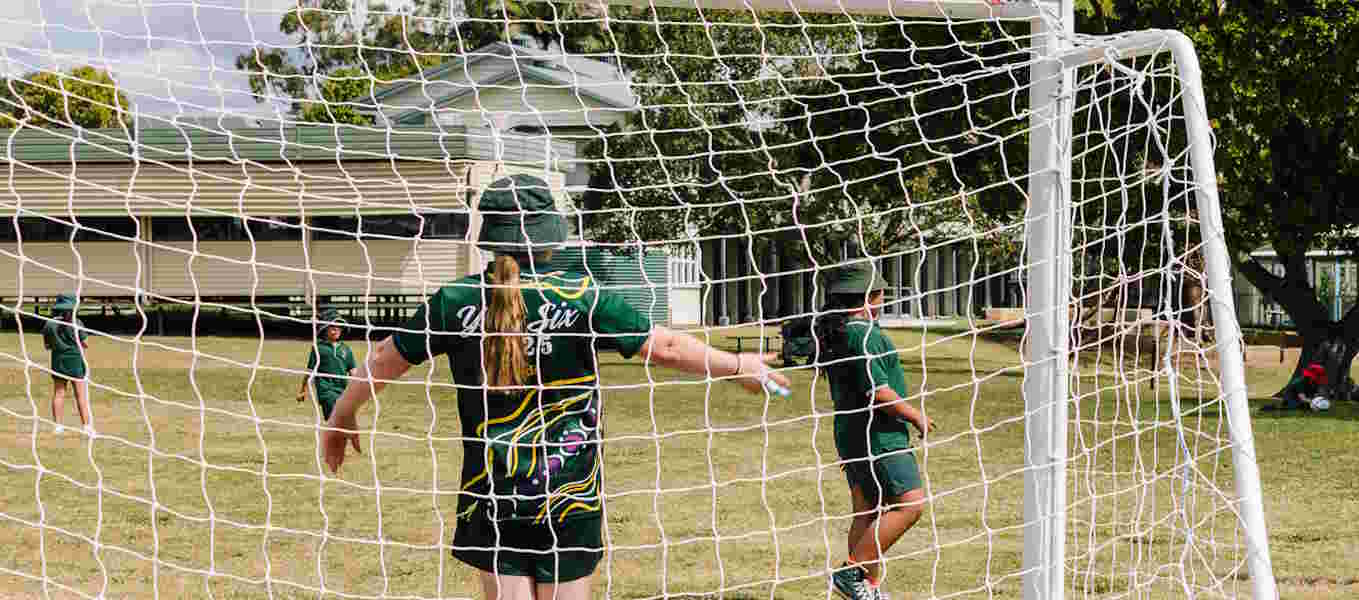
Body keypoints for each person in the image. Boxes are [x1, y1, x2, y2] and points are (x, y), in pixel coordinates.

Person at [315, 174, 792, 600]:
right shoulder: (582, 294)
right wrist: (737, 365)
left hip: (492, 492)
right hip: (570, 492)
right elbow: (664, 346)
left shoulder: (455, 300)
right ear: (549, 237)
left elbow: (382, 360)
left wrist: (341, 415)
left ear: (490, 239)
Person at [814, 264, 934, 600]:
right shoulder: (863, 334)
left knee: (868, 511)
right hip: (879, 435)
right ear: (869, 298)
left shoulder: (841, 331)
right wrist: (915, 416)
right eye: (880, 293)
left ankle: (868, 590)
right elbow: (878, 391)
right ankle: (851, 574)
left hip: (852, 434)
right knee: (910, 506)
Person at [41, 294, 92, 434]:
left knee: (59, 393)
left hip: (58, 362)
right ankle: (86, 427)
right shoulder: (77, 323)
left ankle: (57, 426)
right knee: (81, 395)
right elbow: (85, 343)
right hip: (76, 362)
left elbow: (47, 346)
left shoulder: (49, 324)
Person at [297, 308, 357, 421]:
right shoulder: (319, 348)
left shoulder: (346, 349)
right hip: (326, 392)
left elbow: (353, 372)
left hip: (343, 391)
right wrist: (303, 390)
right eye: (332, 328)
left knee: (344, 422)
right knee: (335, 420)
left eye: (338, 327)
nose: (336, 330)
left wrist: (358, 389)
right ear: (325, 329)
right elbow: (310, 371)